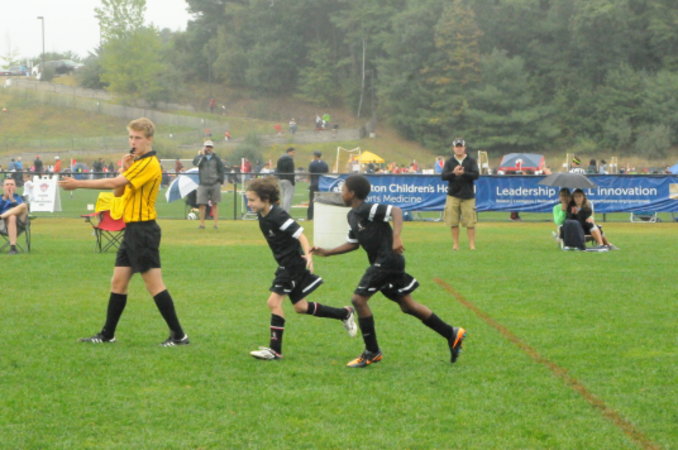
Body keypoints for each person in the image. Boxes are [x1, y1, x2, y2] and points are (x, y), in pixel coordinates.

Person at [311, 175, 467, 368]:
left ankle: (372, 352)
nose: (341, 193)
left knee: (358, 300)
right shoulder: (352, 215)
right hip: (387, 263)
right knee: (407, 305)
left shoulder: (366, 209)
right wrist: (327, 252)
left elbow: (396, 211)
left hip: (387, 261)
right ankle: (451, 333)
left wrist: (396, 237)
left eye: (343, 190)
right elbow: (353, 243)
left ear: (352, 193)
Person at [58, 117, 189, 346]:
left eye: (137, 137)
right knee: (118, 282)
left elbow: (112, 184)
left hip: (143, 230)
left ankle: (179, 336)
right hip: (132, 230)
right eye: (130, 137)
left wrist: (78, 183)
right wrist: (124, 168)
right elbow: (118, 192)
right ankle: (107, 335)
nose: (133, 142)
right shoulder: (137, 163)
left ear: (149, 139)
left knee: (154, 285)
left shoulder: (149, 164)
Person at [245, 177, 357, 360]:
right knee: (301, 307)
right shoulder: (262, 214)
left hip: (292, 265)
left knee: (273, 303)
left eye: (252, 200)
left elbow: (301, 236)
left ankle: (275, 350)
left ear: (265, 199)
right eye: (248, 199)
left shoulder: (278, 215)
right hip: (286, 264)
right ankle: (344, 313)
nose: (249, 203)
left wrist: (309, 256)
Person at [441, 138, 479, 250]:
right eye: (457, 147)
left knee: (470, 222)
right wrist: (454, 173)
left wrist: (464, 173)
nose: (459, 149)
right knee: (453, 222)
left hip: (468, 195)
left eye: (460, 146)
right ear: (453, 148)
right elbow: (443, 176)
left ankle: (472, 245)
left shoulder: (471, 161)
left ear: (464, 148)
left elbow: (476, 175)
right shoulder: (449, 162)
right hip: (453, 195)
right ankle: (455, 244)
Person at [192, 140, 226, 229]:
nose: (208, 148)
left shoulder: (216, 158)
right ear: (204, 147)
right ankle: (202, 224)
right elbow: (196, 163)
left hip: (215, 184)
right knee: (202, 204)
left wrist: (220, 181)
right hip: (203, 184)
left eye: (210, 147)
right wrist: (202, 155)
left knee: (215, 204)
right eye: (207, 147)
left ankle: (216, 224)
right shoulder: (200, 157)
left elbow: (221, 170)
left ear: (212, 148)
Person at [0, 177, 29, 254]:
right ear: (3, 187)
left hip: (19, 223)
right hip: (2, 224)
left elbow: (22, 208)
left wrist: (12, 199)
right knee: (12, 217)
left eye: (12, 184)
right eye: (7, 184)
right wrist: (4, 198)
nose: (9, 186)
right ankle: (13, 248)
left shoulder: (19, 198)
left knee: (24, 206)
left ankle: (1, 216)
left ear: (15, 187)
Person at [307, 151, 329, 220]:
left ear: (315, 156)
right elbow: (327, 174)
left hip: (314, 184)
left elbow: (309, 173)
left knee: (312, 200)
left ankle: (310, 217)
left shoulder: (312, 163)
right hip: (322, 184)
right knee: (323, 201)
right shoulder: (324, 164)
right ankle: (322, 216)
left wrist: (308, 181)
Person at [275, 147, 296, 213]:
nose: (294, 154)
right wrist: (292, 182)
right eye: (293, 152)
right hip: (288, 179)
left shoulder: (280, 158)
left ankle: (280, 211)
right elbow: (291, 171)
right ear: (289, 152)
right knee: (288, 196)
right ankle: (286, 212)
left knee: (282, 196)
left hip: (280, 179)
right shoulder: (289, 159)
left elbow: (277, 169)